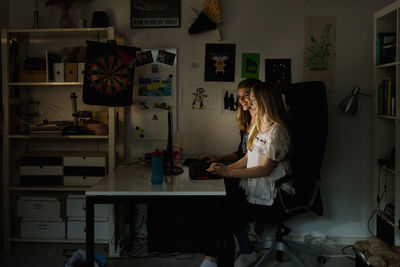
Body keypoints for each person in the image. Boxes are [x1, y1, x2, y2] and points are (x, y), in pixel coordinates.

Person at [206, 82, 292, 267]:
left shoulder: (277, 131)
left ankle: (236, 254)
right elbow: (248, 157)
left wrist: (229, 172)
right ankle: (232, 253)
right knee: (220, 206)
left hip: (274, 194)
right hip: (254, 186)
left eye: (253, 100)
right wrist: (225, 168)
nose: (249, 104)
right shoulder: (257, 125)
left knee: (227, 211)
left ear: (265, 102)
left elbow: (265, 169)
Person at [198, 78, 260, 267]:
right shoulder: (248, 121)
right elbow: (242, 153)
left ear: (258, 96)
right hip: (242, 172)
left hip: (252, 178)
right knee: (212, 192)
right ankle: (242, 251)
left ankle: (213, 257)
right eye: (239, 96)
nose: (242, 100)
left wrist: (227, 170)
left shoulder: (263, 123)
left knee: (219, 204)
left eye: (246, 95)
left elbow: (255, 160)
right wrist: (220, 158)